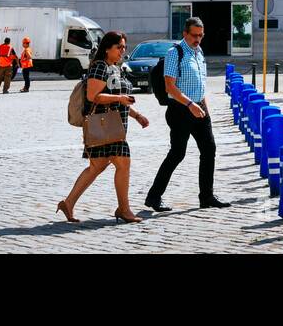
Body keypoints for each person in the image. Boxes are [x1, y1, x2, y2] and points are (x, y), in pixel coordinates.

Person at [56, 31, 149, 224]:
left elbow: (120, 100)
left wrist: (137, 115)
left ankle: (68, 203)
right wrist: (119, 98)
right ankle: (124, 209)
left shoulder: (115, 67)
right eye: (119, 47)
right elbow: (93, 96)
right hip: (102, 126)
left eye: (124, 47)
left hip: (114, 127)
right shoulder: (99, 67)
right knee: (122, 163)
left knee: (96, 167)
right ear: (107, 49)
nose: (123, 50)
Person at [145, 18, 230, 212]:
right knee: (177, 153)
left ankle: (206, 196)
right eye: (194, 35)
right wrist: (190, 104)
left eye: (201, 35)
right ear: (185, 34)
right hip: (180, 110)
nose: (198, 39)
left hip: (199, 109)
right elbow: (170, 87)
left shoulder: (199, 53)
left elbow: (200, 87)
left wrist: (205, 111)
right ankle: (154, 196)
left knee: (209, 150)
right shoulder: (175, 53)